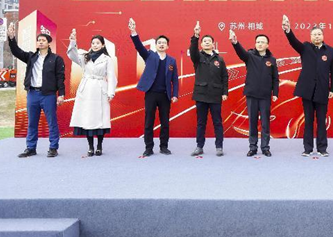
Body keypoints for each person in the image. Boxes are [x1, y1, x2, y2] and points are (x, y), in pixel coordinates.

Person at [282, 15, 333, 157]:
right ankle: (307, 148)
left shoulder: (330, 51)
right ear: (310, 36)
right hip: (307, 90)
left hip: (322, 90)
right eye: (314, 34)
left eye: (319, 34)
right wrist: (288, 30)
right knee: (308, 120)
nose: (317, 36)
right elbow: (293, 42)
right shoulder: (305, 47)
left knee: (321, 120)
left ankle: (322, 148)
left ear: (323, 36)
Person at [7, 22, 65, 158]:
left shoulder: (56, 59)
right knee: (32, 122)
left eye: (43, 40)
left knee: (52, 122)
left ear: (49, 43)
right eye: (39, 40)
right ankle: (31, 147)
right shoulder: (31, 57)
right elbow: (16, 51)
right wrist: (11, 38)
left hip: (48, 95)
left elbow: (60, 78)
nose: (40, 42)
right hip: (32, 93)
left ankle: (53, 147)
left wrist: (61, 94)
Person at [128, 18, 178, 157]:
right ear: (156, 45)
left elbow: (175, 79)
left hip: (165, 95)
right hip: (151, 93)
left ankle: (164, 146)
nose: (162, 44)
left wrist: (175, 94)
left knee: (165, 122)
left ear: (167, 46)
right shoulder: (149, 55)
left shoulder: (172, 60)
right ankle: (148, 148)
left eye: (164, 43)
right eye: (159, 42)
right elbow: (139, 46)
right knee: (149, 121)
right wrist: (133, 31)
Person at [67, 29, 117, 156]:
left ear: (103, 45)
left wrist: (111, 93)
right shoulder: (85, 56)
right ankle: (90, 146)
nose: (95, 45)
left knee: (101, 119)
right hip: (87, 89)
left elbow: (111, 76)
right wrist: (73, 41)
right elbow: (72, 55)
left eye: (98, 43)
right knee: (87, 118)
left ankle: (99, 145)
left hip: (100, 89)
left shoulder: (107, 59)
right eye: (93, 43)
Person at [230, 29, 279, 157]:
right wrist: (235, 43)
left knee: (265, 123)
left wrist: (275, 93)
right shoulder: (250, 56)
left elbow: (275, 78)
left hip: (265, 96)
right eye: (258, 42)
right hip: (252, 94)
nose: (260, 44)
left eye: (262, 42)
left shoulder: (272, 60)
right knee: (252, 122)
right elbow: (241, 53)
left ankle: (265, 147)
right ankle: (253, 147)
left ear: (267, 45)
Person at [190, 21, 229, 157]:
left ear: (213, 44)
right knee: (201, 123)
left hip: (215, 95)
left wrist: (225, 92)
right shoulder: (197, 57)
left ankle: (219, 146)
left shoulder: (220, 59)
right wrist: (196, 35)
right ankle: (199, 146)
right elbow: (192, 50)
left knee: (217, 122)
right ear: (201, 44)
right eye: (204, 41)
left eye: (209, 41)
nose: (207, 42)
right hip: (201, 94)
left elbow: (225, 76)